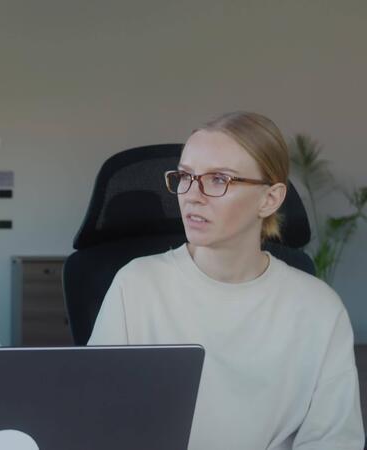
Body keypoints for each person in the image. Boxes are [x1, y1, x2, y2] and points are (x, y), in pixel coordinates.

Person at [88, 111, 364, 449]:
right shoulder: (136, 286)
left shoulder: (319, 309)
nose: (192, 195)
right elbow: (96, 419)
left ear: (269, 199)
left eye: (219, 179)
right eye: (185, 176)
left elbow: (334, 441)